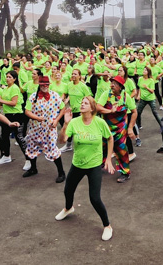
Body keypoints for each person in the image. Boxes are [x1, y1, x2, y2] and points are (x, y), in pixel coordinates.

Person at [56, 95, 115, 241]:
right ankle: (68, 208)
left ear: (92, 108)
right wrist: (65, 124)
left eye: (86, 103)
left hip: (94, 165)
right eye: (82, 102)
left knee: (94, 198)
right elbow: (61, 140)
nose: (82, 104)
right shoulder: (74, 122)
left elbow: (110, 138)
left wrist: (108, 159)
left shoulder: (99, 122)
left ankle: (107, 226)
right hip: (78, 164)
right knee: (68, 190)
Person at [22, 75, 67, 182]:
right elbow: (27, 111)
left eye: (47, 84)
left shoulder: (55, 96)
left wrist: (56, 121)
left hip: (49, 129)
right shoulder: (33, 97)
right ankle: (33, 169)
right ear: (39, 85)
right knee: (32, 147)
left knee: (52, 149)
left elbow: (63, 108)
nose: (45, 86)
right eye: (42, 85)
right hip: (35, 128)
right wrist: (37, 118)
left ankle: (61, 172)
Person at [96, 75, 132, 183]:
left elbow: (134, 112)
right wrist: (110, 111)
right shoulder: (106, 94)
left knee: (121, 150)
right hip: (106, 127)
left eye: (115, 84)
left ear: (120, 87)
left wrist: (130, 127)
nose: (111, 85)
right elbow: (98, 107)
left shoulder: (126, 96)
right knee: (102, 147)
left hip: (121, 129)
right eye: (111, 83)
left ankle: (125, 172)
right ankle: (100, 165)